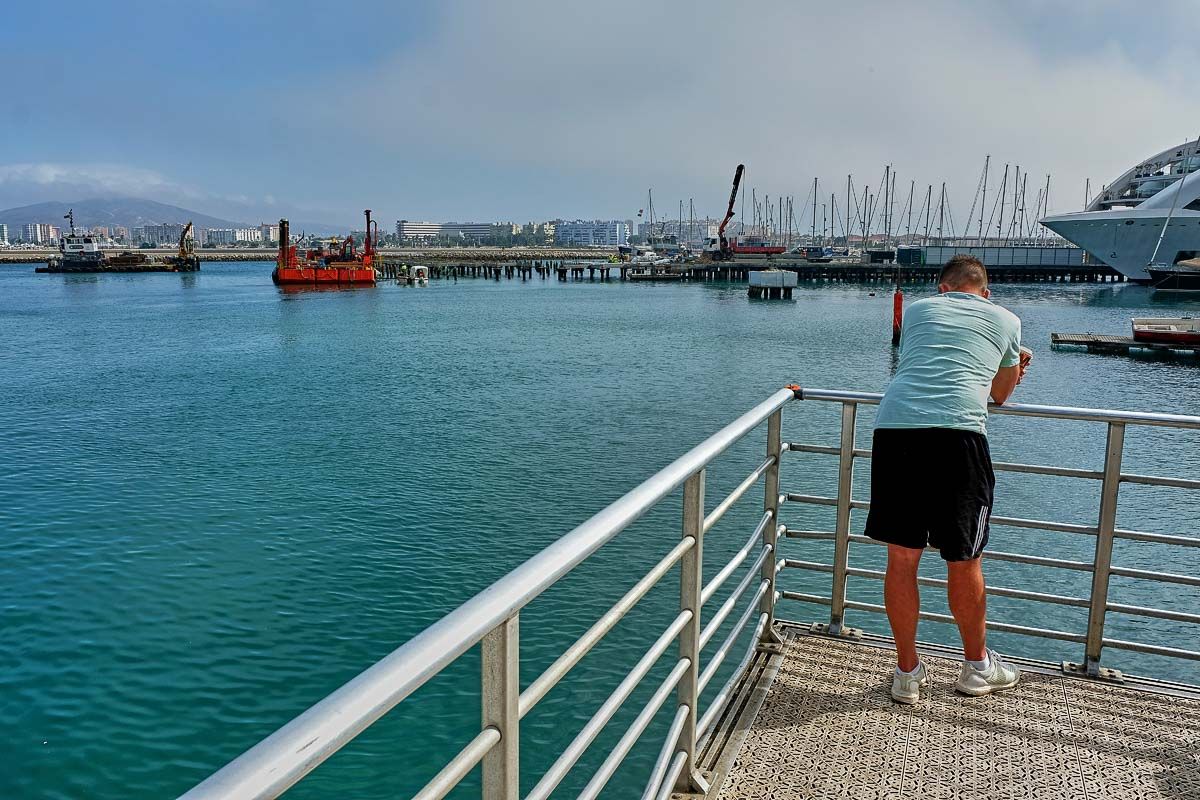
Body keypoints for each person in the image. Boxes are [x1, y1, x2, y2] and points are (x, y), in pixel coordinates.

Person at [865, 254, 1031, 704]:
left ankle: (906, 673)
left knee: (902, 558)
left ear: (942, 289)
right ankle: (977, 668)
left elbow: (924, 360)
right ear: (986, 293)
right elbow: (1000, 394)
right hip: (958, 436)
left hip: (896, 428)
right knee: (964, 560)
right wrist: (1016, 366)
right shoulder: (1006, 320)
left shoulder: (918, 311)